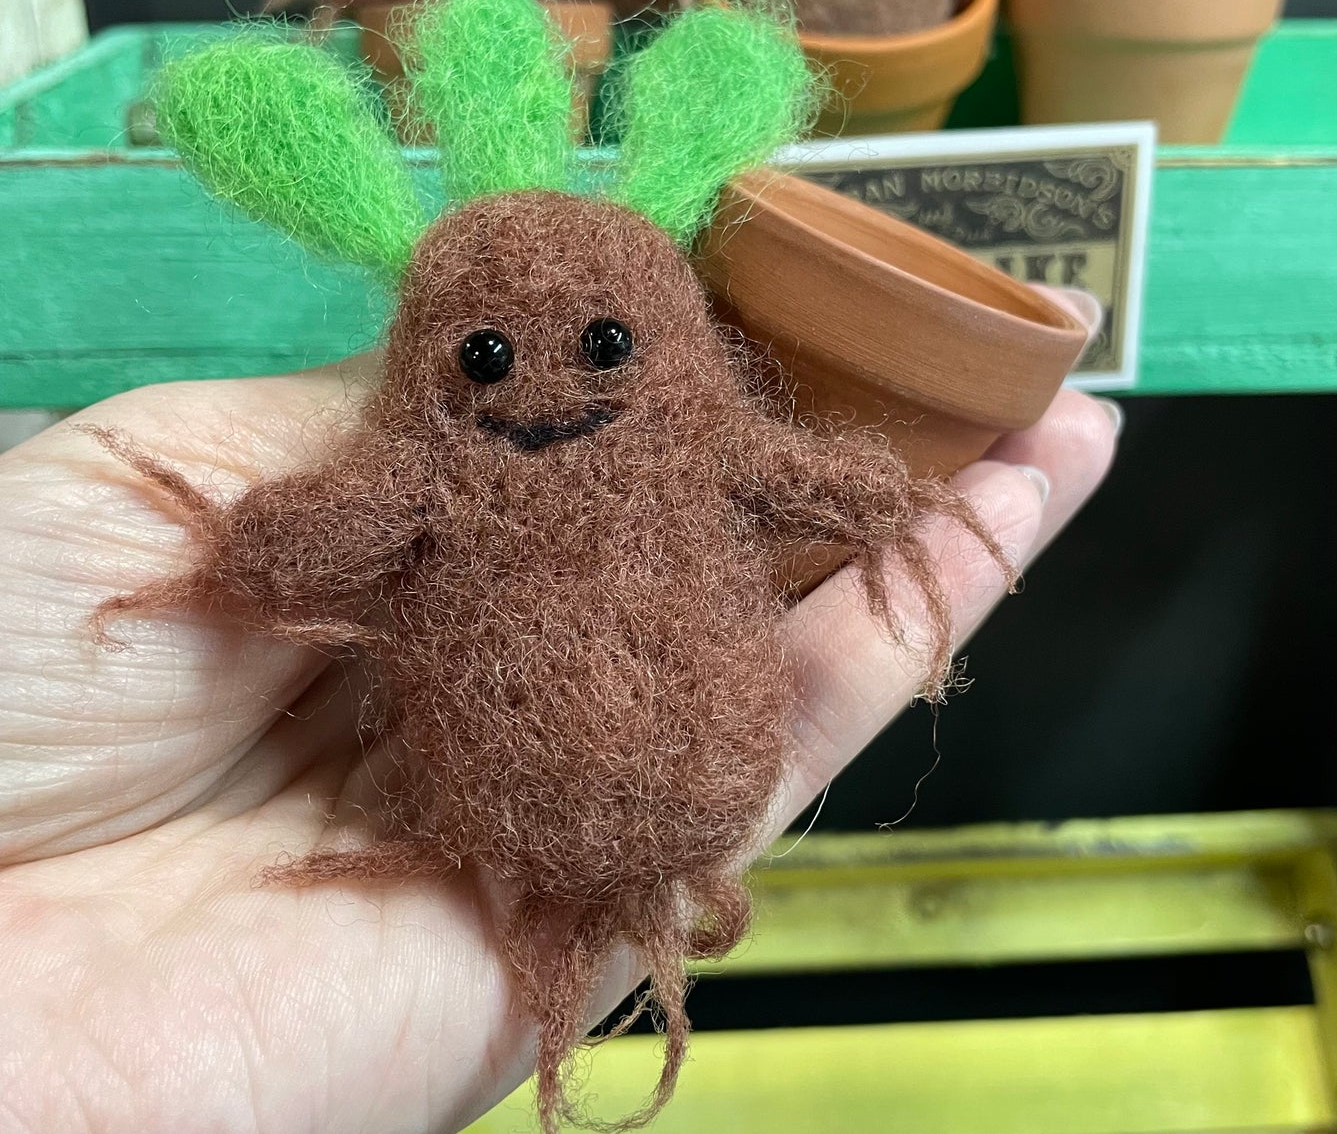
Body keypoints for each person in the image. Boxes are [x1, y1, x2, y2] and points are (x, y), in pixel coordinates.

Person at [0, 294, 1115, 1132]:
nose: (540, 389)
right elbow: (298, 542)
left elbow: (823, 481)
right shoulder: (425, 466)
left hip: (670, 773)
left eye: (604, 345)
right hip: (519, 804)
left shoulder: (691, 436)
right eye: (485, 357)